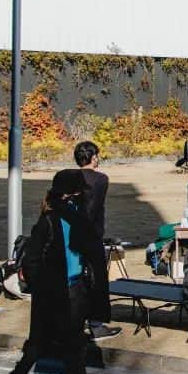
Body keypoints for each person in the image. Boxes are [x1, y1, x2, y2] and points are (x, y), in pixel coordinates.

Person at [8, 169, 102, 374]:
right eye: (79, 191)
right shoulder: (48, 221)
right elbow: (31, 262)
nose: (83, 196)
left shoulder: (78, 217)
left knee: (76, 344)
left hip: (75, 289)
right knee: (39, 343)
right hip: (51, 293)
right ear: (70, 194)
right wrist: (44, 287)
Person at [74, 141, 121, 341]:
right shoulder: (100, 179)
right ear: (93, 158)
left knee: (76, 280)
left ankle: (76, 321)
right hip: (91, 236)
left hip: (71, 235)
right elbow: (93, 206)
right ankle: (96, 324)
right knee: (97, 280)